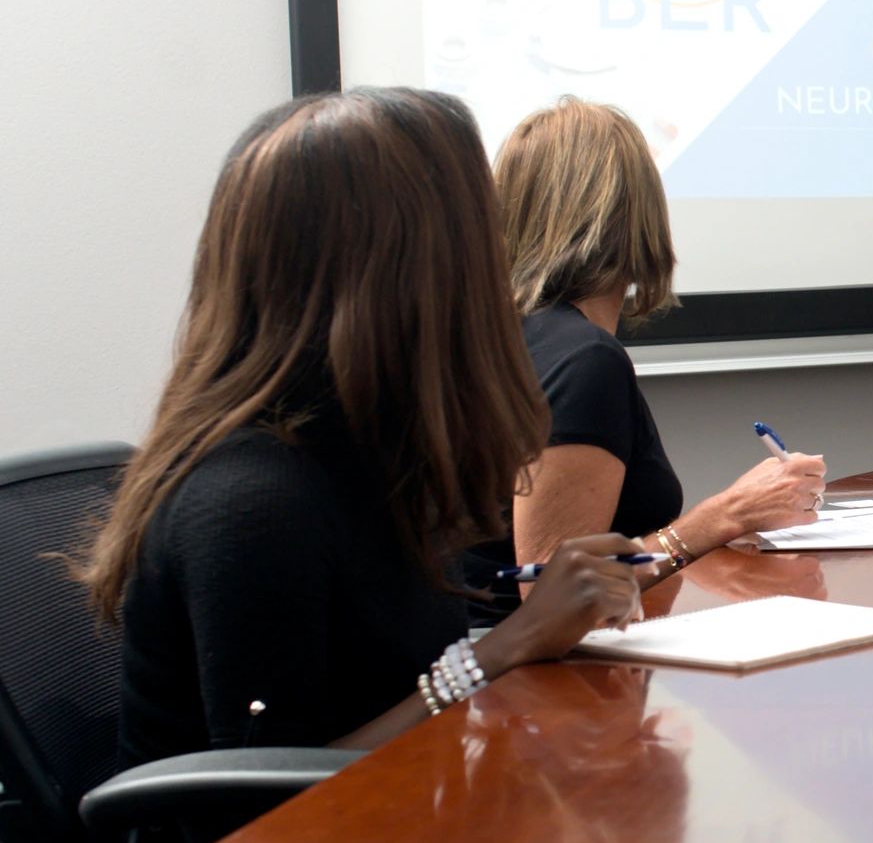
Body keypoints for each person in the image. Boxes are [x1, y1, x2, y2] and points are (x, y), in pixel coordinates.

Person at [86, 89, 646, 763]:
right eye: (473, 251)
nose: (497, 281)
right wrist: (505, 647)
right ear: (406, 278)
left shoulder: (377, 453)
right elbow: (263, 809)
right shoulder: (253, 503)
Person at [467, 98, 826, 612]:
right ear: (635, 215)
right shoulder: (584, 360)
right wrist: (724, 516)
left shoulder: (493, 335)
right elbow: (553, 593)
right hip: (533, 680)